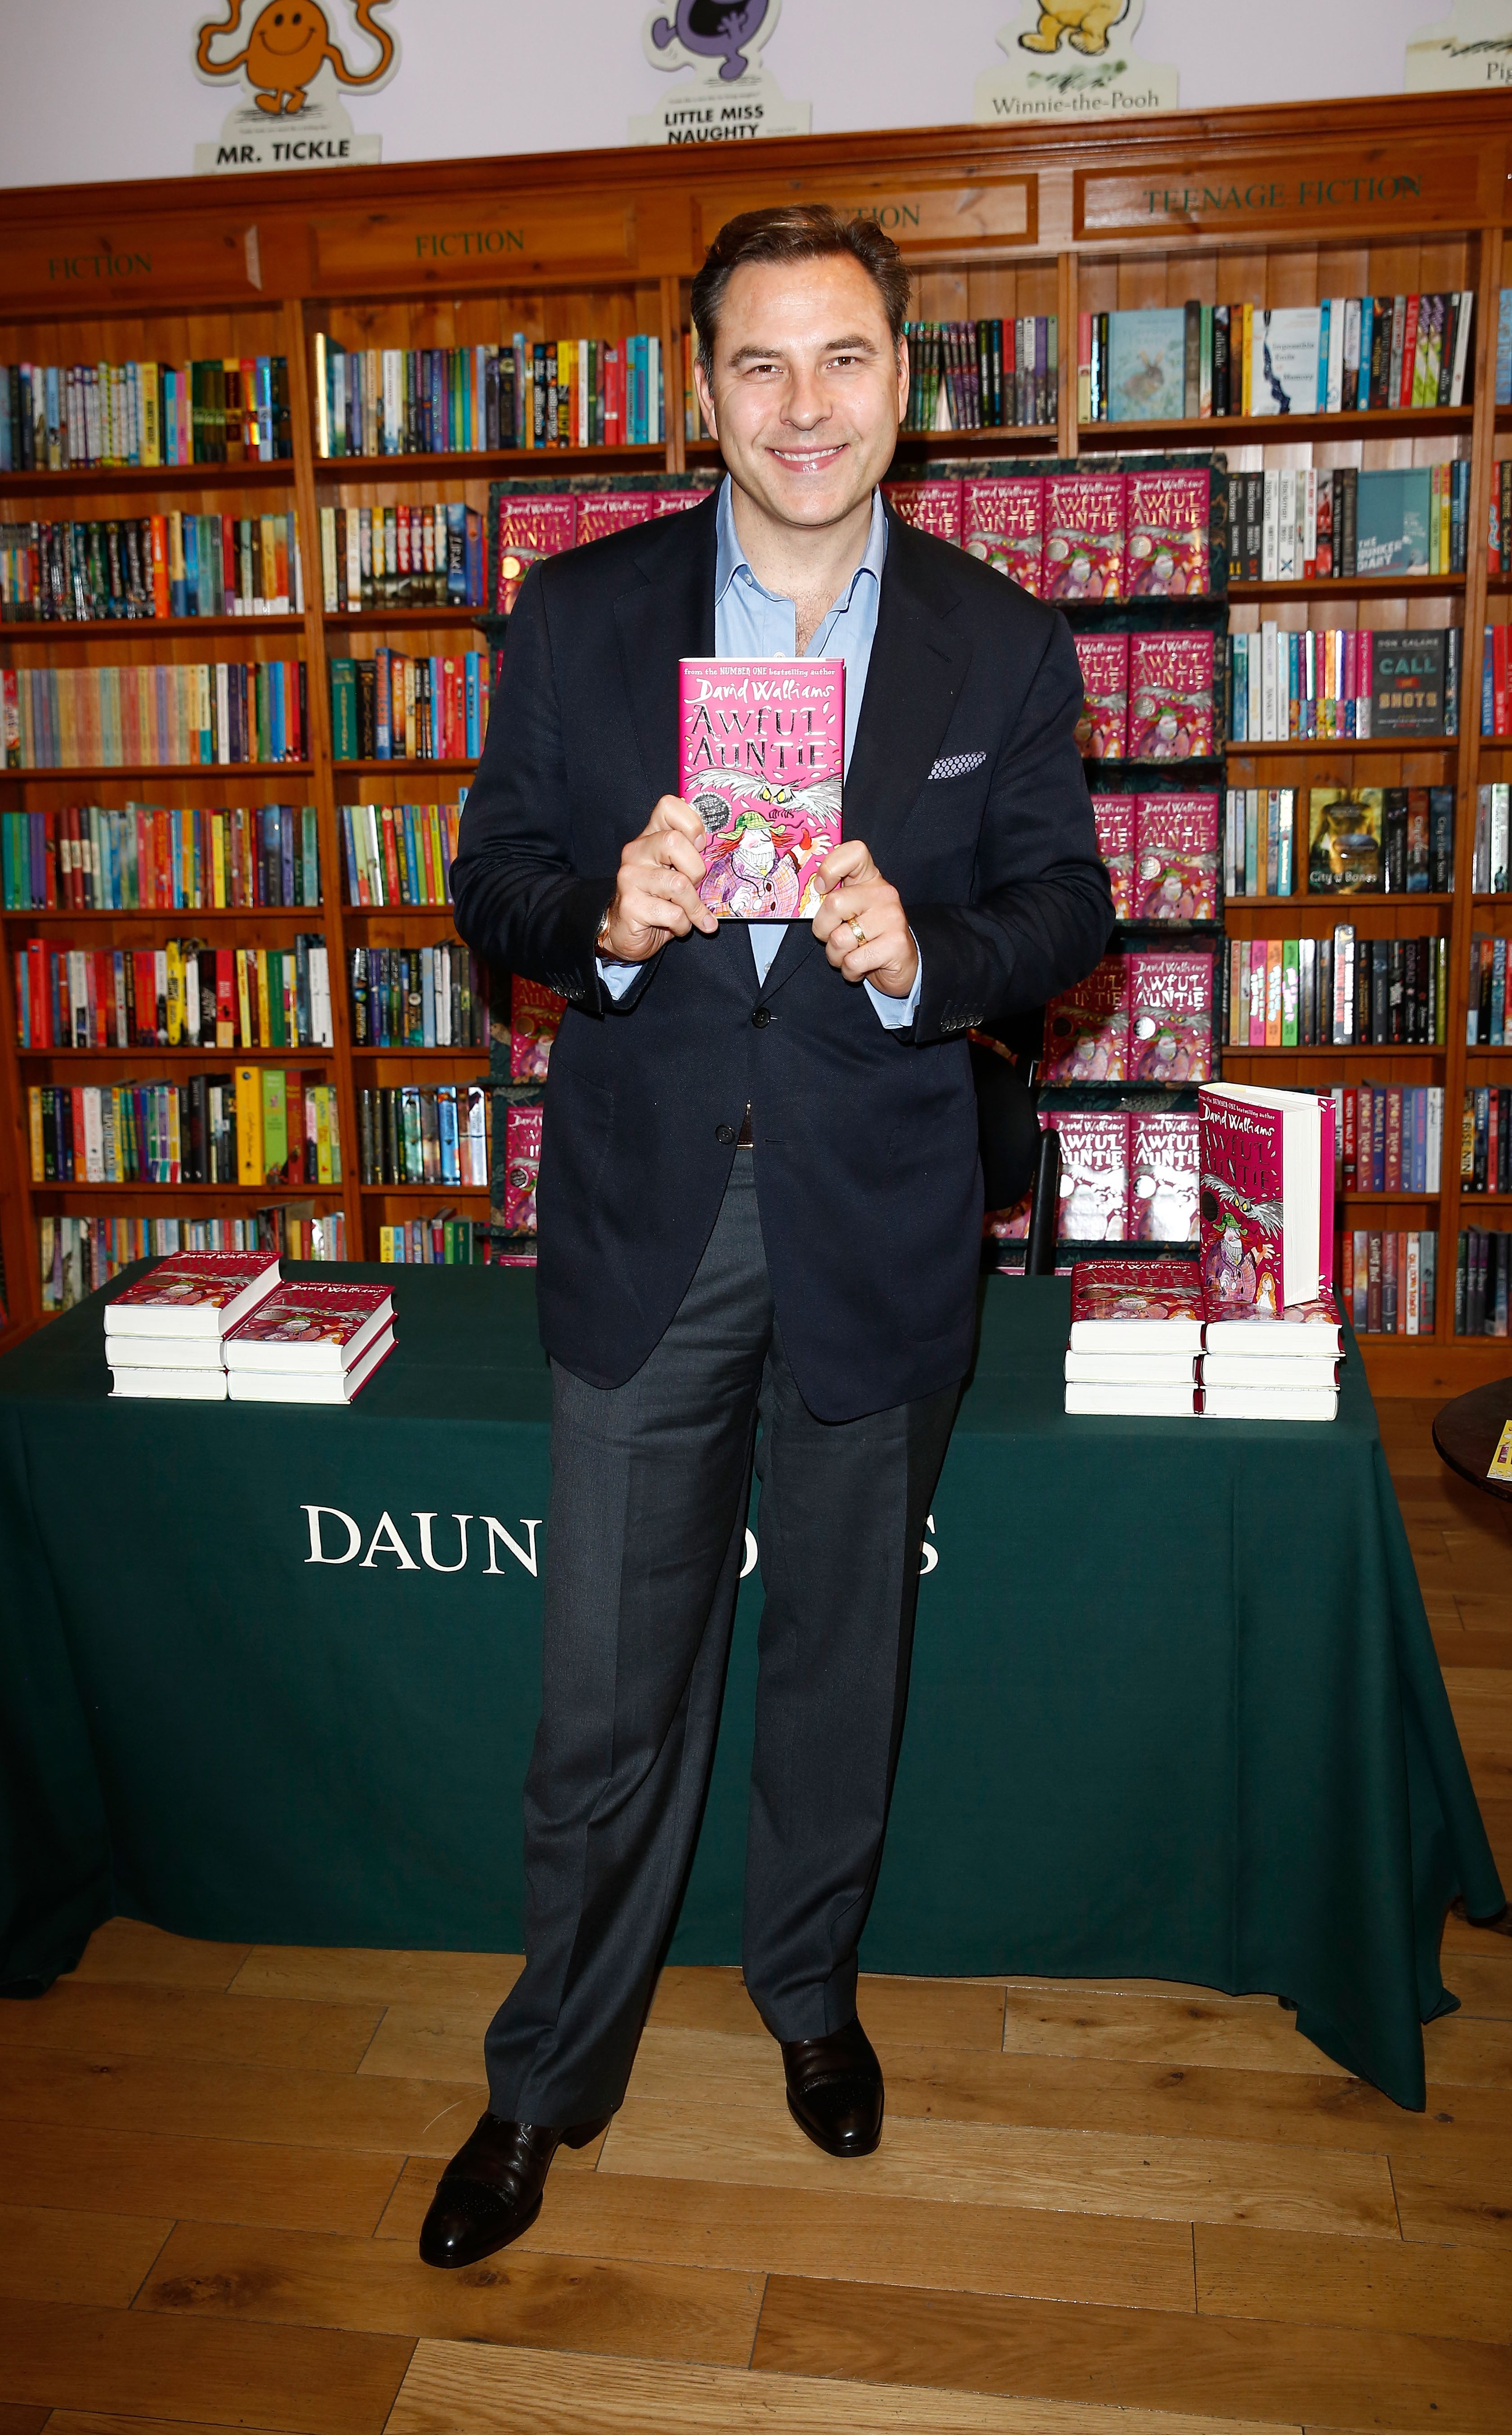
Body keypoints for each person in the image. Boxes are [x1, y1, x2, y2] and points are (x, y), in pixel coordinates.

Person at [425, 203, 1113, 2269]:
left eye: (841, 361)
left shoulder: (1003, 640)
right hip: (650, 1219)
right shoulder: (580, 615)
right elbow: (495, 880)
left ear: (908, 379)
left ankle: (807, 1998)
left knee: (835, 1666)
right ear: (697, 386)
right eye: (757, 364)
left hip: (878, 1215)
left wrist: (939, 953)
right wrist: (598, 924)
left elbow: (1070, 905)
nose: (801, 408)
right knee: (603, 1700)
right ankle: (548, 2073)